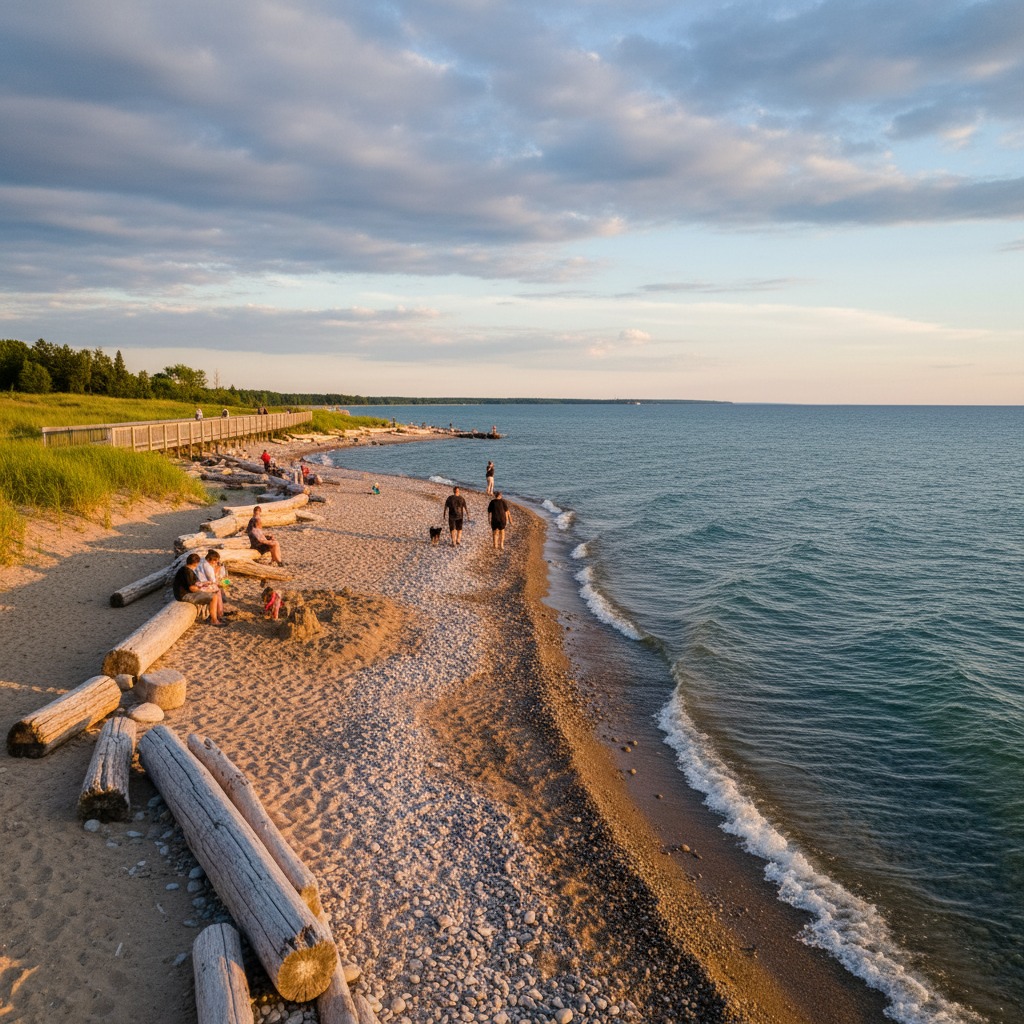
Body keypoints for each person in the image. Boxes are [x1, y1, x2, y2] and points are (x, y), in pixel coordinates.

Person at [172, 553, 226, 625]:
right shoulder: (188, 572)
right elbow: (192, 588)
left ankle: (218, 614)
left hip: (183, 593)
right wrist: (204, 589)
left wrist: (204, 584)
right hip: (184, 595)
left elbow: (193, 583)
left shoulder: (184, 568)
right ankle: (214, 620)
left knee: (214, 592)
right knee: (214, 596)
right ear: (196, 563)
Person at [196, 549, 234, 614]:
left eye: (217, 560)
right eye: (215, 560)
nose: (216, 562)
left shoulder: (204, 561)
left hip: (203, 582)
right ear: (209, 559)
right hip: (203, 584)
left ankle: (223, 607)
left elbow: (220, 576)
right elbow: (213, 580)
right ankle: (220, 612)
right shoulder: (207, 566)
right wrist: (216, 570)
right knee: (220, 588)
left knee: (227, 582)